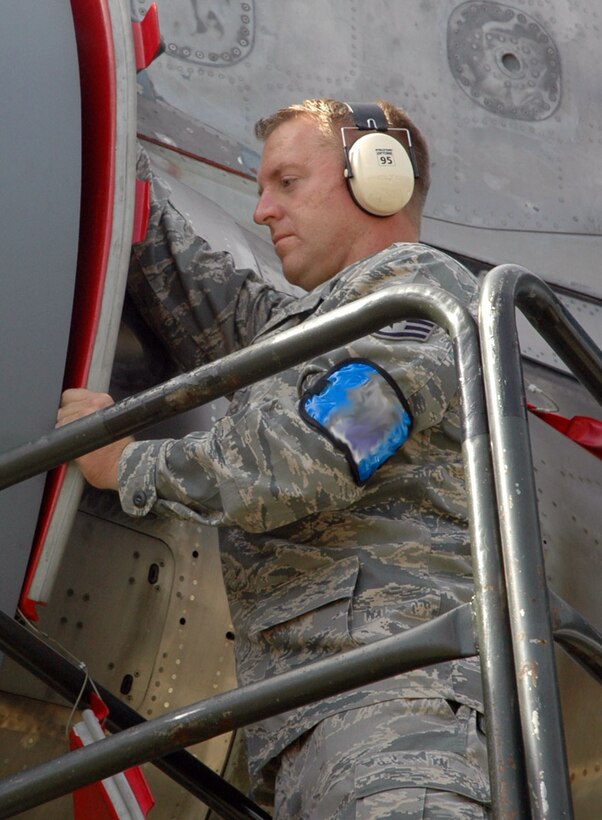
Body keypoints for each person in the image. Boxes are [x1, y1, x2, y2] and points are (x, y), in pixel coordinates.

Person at [58, 99, 490, 818]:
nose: (262, 211)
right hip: (303, 732)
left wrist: (126, 463)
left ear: (376, 179)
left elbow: (314, 451)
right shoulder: (306, 328)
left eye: (287, 183)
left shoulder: (420, 297)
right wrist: (87, 130)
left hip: (396, 719)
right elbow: (187, 281)